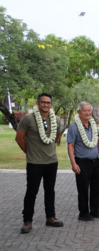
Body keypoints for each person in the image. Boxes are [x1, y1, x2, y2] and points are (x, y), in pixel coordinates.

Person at [15, 93, 64, 233]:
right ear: (38, 103)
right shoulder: (28, 119)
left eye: (48, 102)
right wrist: (29, 152)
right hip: (34, 163)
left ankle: (51, 217)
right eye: (43, 102)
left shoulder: (56, 119)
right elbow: (19, 138)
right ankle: (27, 221)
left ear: (51, 104)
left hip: (51, 161)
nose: (46, 105)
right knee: (32, 191)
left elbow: (56, 137)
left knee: (50, 191)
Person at [67, 102, 99, 221]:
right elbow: (70, 146)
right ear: (79, 112)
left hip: (95, 161)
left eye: (89, 110)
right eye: (85, 111)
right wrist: (73, 163)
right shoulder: (74, 127)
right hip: (82, 162)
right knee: (83, 188)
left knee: (97, 186)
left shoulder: (93, 125)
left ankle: (95, 210)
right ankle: (83, 213)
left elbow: (97, 141)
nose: (88, 113)